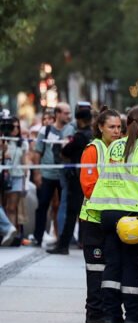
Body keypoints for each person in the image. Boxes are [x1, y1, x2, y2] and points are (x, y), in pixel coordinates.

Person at [87, 107, 138, 323]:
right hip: (134, 217)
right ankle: (135, 315)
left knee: (112, 266)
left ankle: (111, 315)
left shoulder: (114, 146)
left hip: (109, 213)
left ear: (127, 125)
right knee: (133, 266)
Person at [75, 108, 121, 323]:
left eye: (119, 127)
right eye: (111, 127)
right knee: (96, 268)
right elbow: (88, 186)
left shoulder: (121, 149)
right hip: (93, 218)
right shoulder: (93, 149)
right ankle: (94, 312)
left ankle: (107, 310)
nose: (116, 131)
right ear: (100, 127)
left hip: (113, 218)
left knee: (111, 266)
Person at [47, 107, 94, 254]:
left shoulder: (79, 136)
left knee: (72, 212)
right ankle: (84, 242)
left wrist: (65, 145)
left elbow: (65, 151)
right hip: (90, 178)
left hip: (77, 179)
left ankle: (63, 246)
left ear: (79, 120)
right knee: (86, 212)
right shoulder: (93, 135)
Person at [32, 103, 73, 246]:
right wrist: (37, 173)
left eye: (69, 113)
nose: (68, 116)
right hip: (47, 174)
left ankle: (63, 237)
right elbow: (37, 152)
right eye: (66, 113)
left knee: (63, 207)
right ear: (58, 113)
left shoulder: (70, 130)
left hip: (64, 175)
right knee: (43, 205)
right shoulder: (45, 130)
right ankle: (38, 237)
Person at [2, 117, 30, 237]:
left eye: (18, 126)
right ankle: (4, 232)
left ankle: (11, 235)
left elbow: (25, 161)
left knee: (12, 207)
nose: (15, 129)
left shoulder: (22, 143)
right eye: (12, 126)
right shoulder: (3, 141)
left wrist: (25, 178)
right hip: (3, 176)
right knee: (3, 206)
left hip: (18, 176)